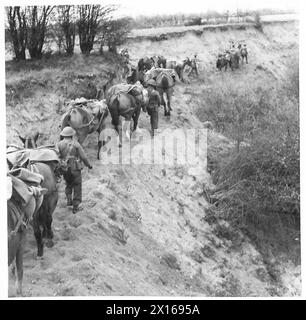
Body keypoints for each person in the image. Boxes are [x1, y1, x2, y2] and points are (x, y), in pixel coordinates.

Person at [56, 126, 92, 214]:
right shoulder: (76, 144)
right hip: (75, 168)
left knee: (68, 183)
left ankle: (69, 200)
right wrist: (89, 165)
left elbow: (57, 156)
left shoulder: (59, 144)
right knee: (77, 186)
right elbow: (83, 157)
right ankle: (76, 207)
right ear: (72, 135)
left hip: (65, 168)